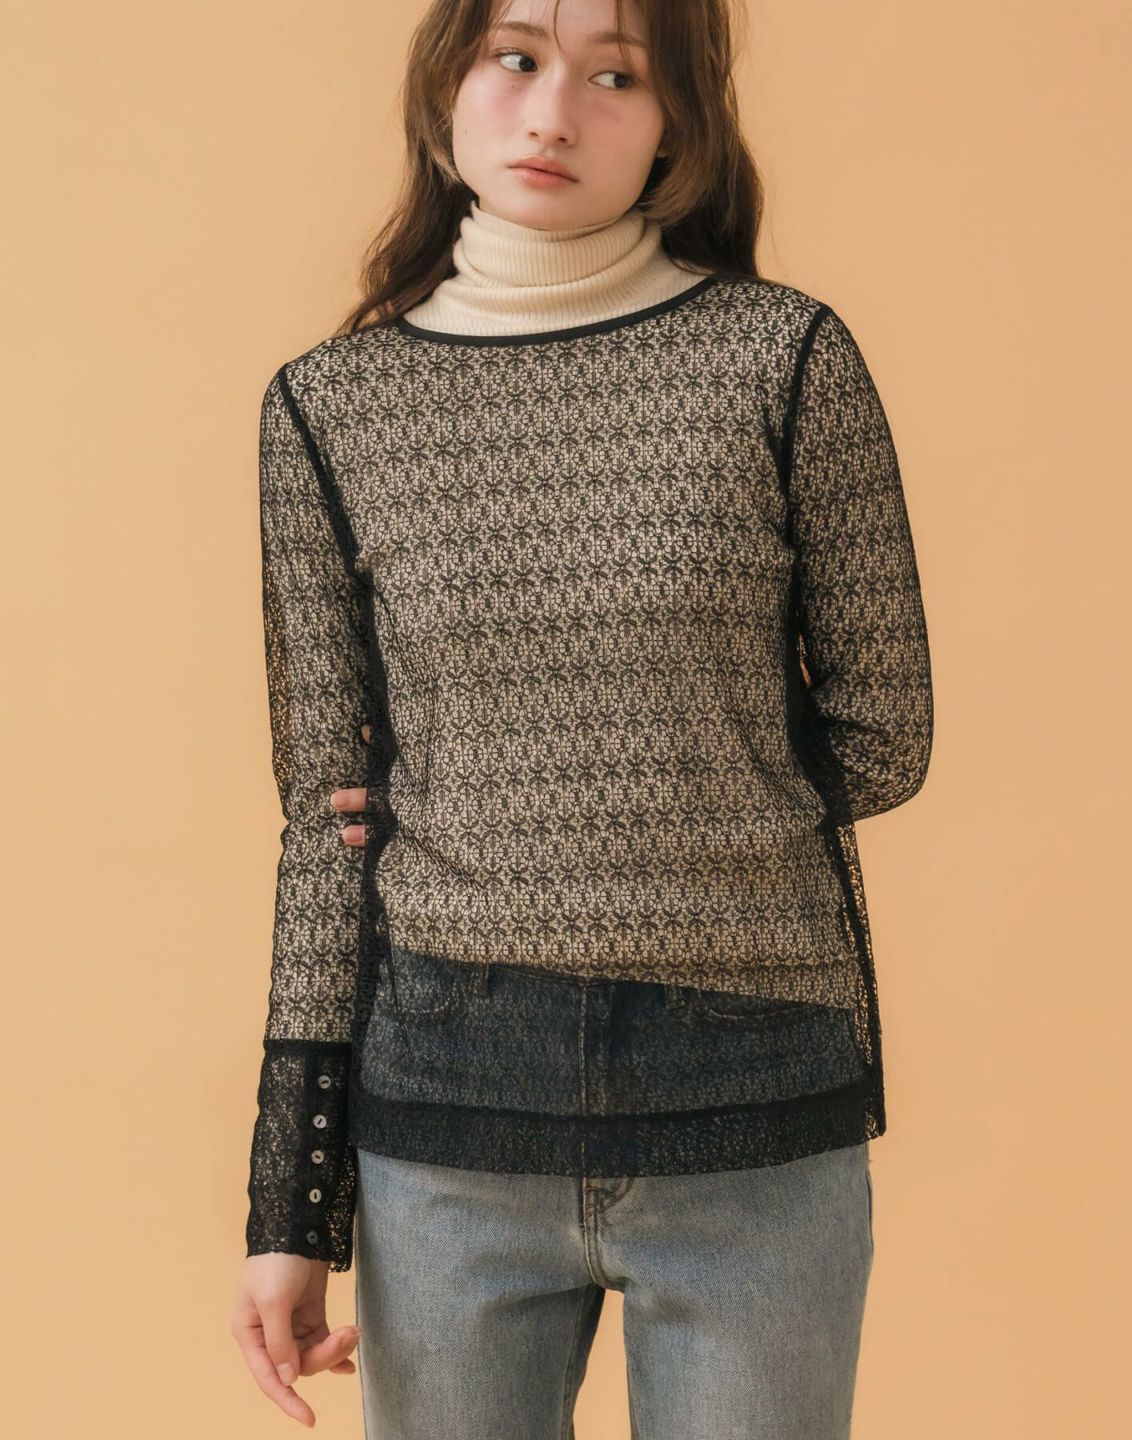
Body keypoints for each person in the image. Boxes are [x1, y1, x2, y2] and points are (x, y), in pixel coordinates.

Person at [229, 0, 934, 1434]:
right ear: (448, 79)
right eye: (518, 58)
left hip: (753, 1109)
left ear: (679, 123)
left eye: (619, 76)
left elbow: (887, 732)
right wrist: (290, 1210)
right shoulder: (328, 408)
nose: (555, 113)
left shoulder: (782, 359)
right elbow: (326, 823)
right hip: (447, 1129)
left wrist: (652, 805)